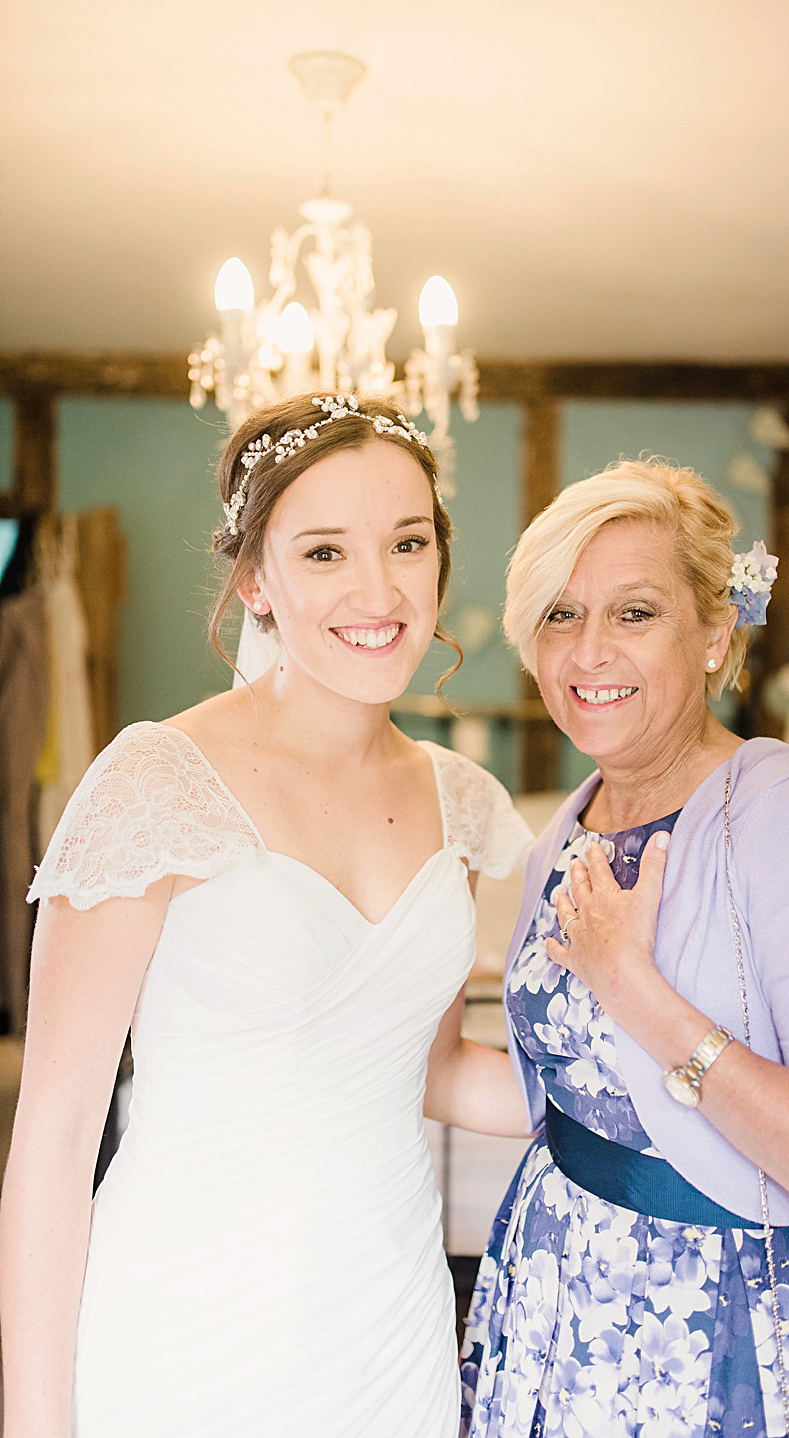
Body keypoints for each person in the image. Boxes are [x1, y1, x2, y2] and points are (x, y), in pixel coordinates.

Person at [0, 393, 533, 1438]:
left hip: (390, 1334)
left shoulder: (458, 803)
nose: (378, 590)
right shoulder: (156, 781)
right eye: (325, 551)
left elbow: (426, 1068)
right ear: (257, 579)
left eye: (407, 542)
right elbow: (55, 1140)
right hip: (187, 1331)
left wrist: (664, 1086)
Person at [460, 458, 789, 1438]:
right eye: (558, 614)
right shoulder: (570, 825)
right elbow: (556, 1096)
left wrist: (637, 988)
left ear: (714, 633)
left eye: (633, 613)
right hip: (554, 1318)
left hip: (714, 1348)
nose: (587, 652)